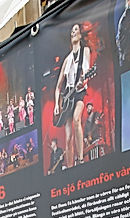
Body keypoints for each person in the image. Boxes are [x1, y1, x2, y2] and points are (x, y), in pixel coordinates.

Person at [54, 23, 94, 171]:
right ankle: (71, 168)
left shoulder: (86, 51)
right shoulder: (67, 60)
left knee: (77, 119)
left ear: (81, 34)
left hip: (80, 92)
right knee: (68, 138)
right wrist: (56, 104)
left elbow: (87, 72)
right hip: (68, 97)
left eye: (76, 30)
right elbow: (58, 87)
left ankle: (81, 159)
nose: (73, 32)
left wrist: (83, 81)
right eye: (71, 31)